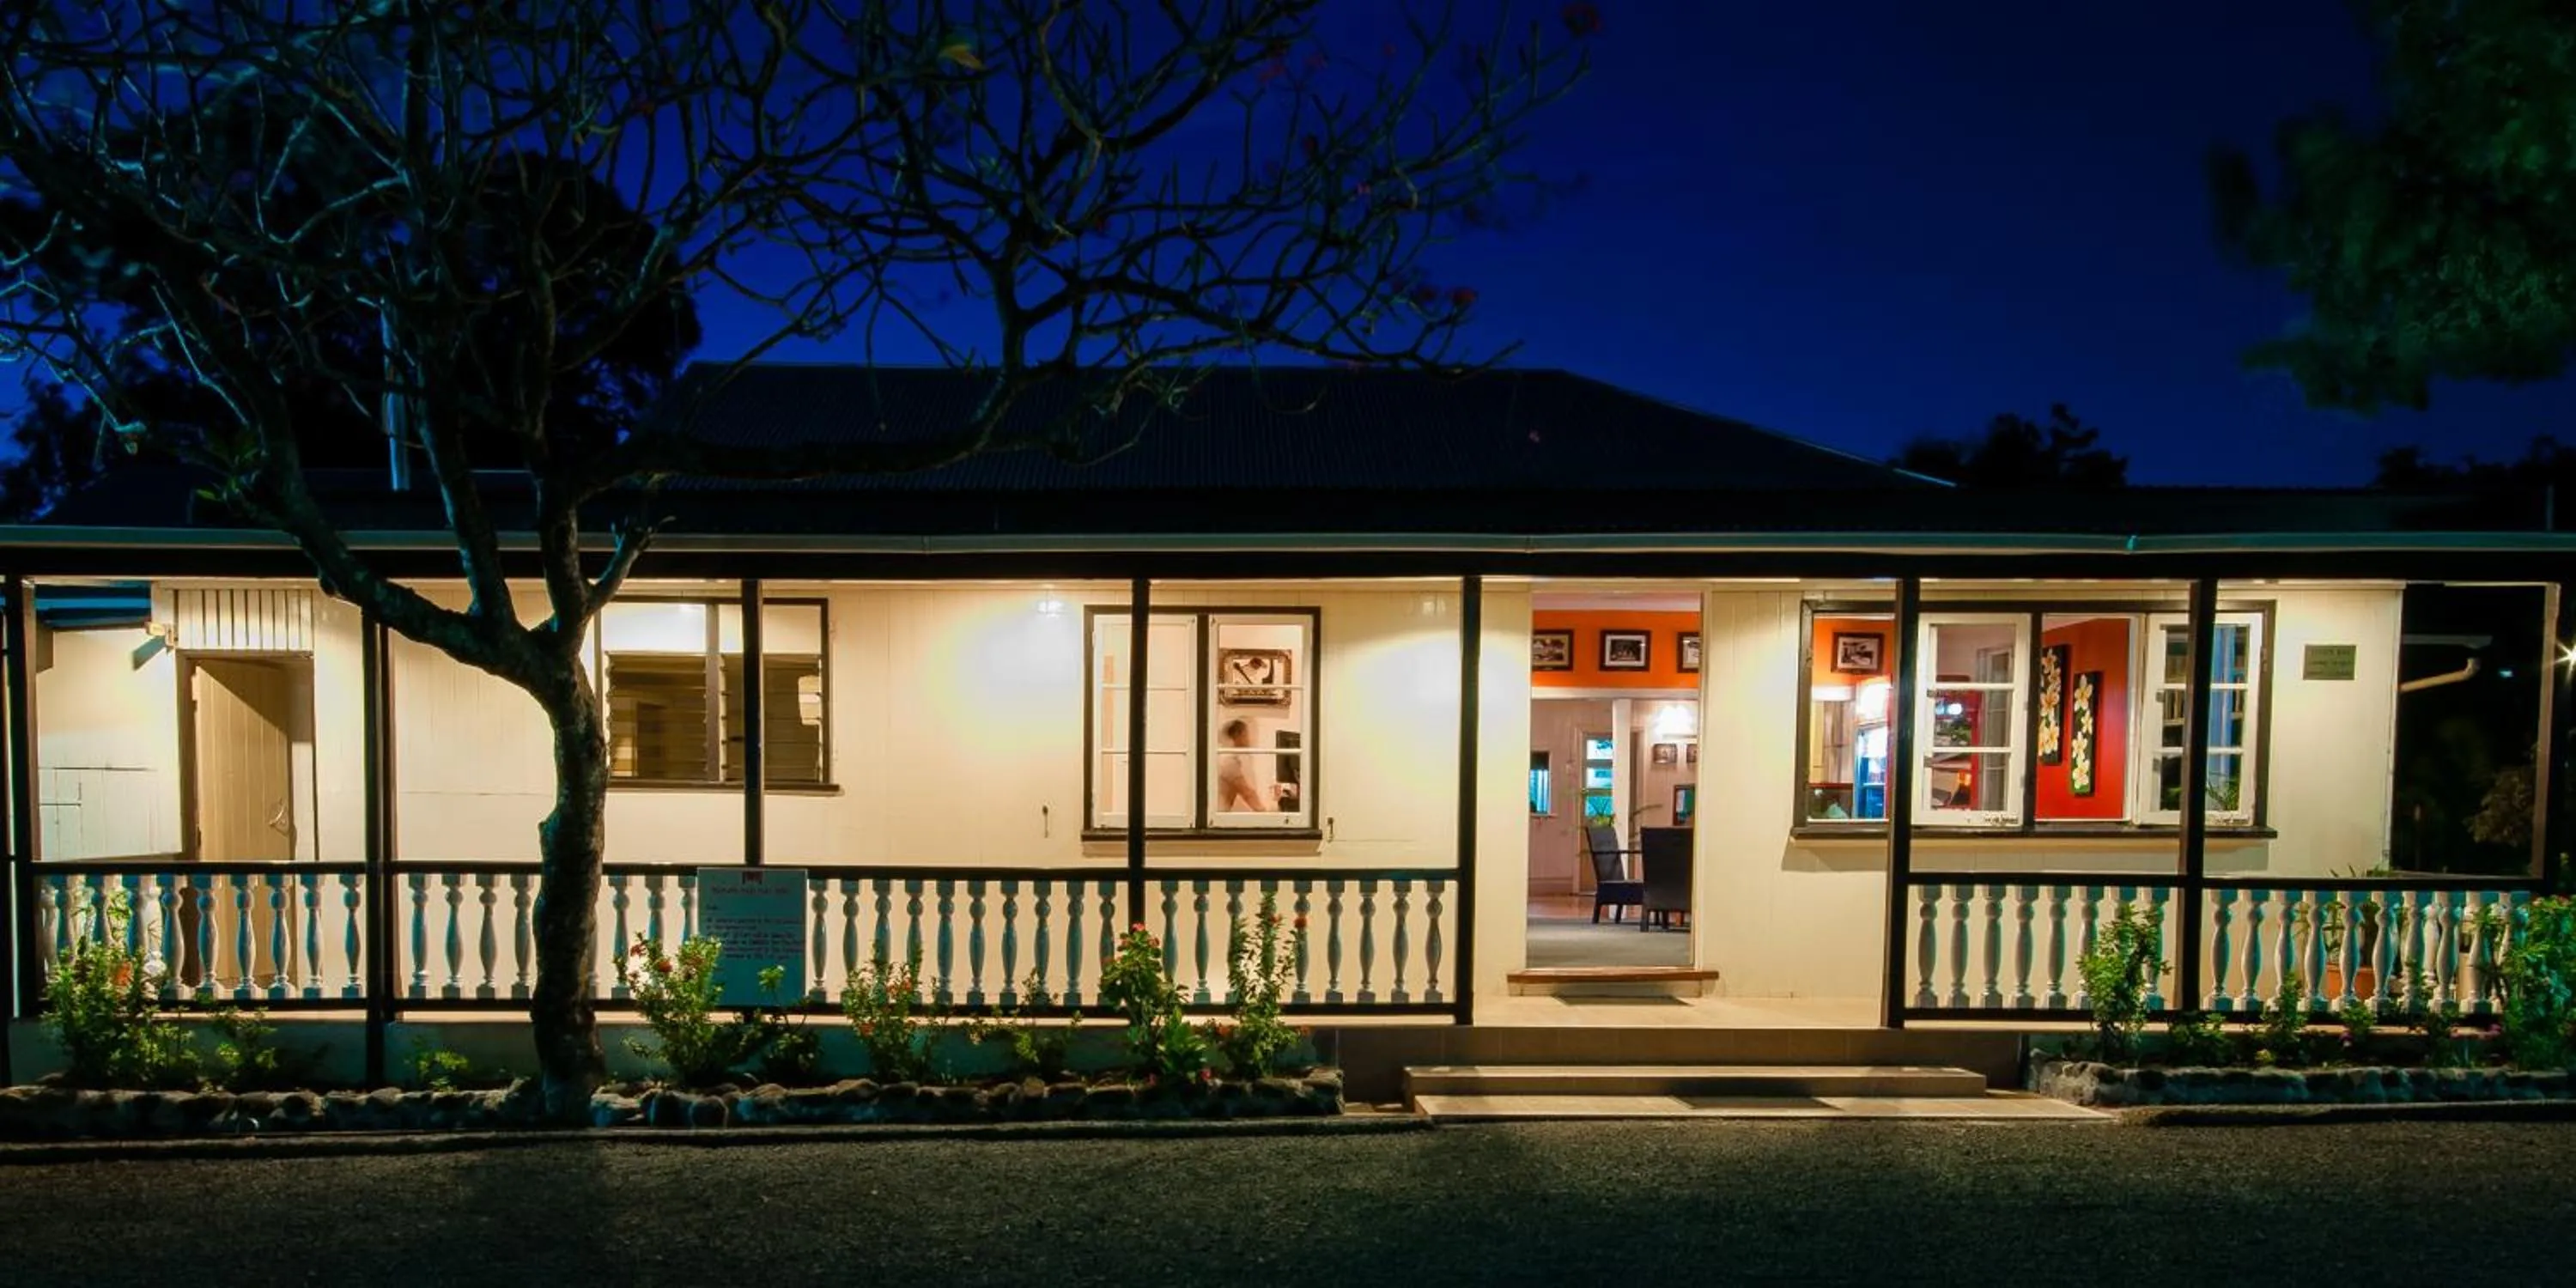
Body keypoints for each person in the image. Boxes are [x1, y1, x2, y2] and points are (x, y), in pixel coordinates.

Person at [1216, 719, 1275, 812]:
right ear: (1237, 736)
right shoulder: (1228, 761)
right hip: (1217, 817)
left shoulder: (1227, 758)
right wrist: (1266, 815)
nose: (1249, 740)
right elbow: (1247, 793)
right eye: (1246, 735)